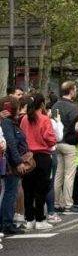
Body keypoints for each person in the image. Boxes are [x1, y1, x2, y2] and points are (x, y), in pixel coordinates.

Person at [19, 94, 57, 230]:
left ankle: (29, 219)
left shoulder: (24, 119)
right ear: (42, 104)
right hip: (42, 156)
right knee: (41, 190)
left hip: (27, 156)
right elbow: (51, 139)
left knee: (28, 189)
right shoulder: (45, 119)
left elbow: (21, 137)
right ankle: (40, 219)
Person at [51, 81, 78, 214]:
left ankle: (56, 202)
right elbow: (76, 126)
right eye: (74, 89)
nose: (75, 91)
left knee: (58, 174)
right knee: (69, 175)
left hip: (57, 143)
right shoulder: (73, 107)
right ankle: (69, 204)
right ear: (70, 90)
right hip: (69, 143)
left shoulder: (55, 105)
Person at [0, 96, 23, 235]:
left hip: (6, 160)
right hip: (9, 163)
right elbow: (11, 143)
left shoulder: (5, 122)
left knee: (8, 192)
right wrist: (18, 161)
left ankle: (6, 221)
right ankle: (7, 223)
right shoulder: (8, 123)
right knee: (10, 192)